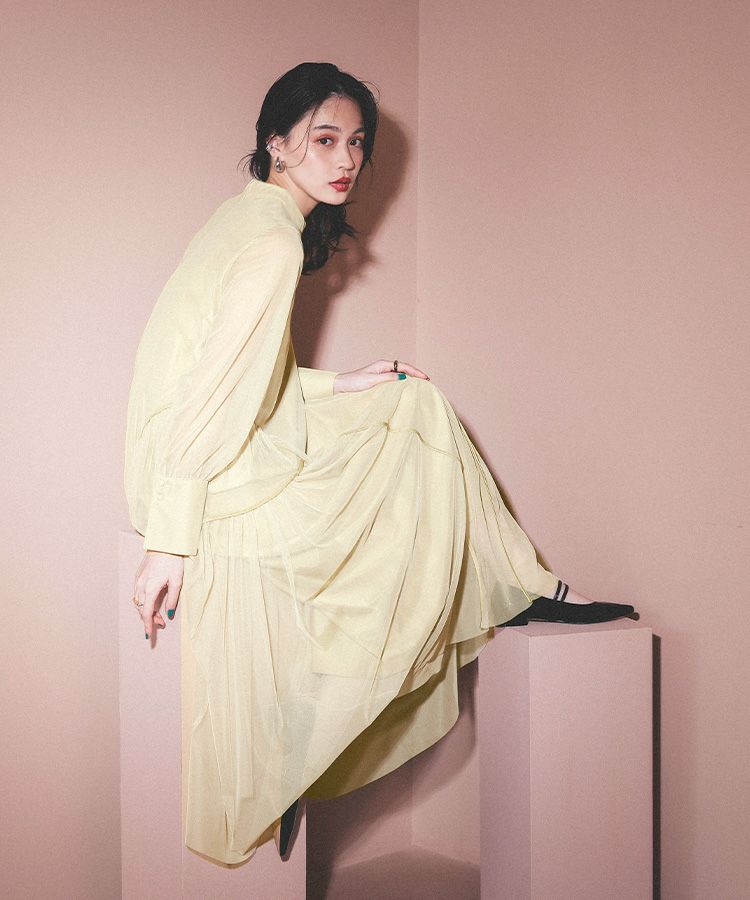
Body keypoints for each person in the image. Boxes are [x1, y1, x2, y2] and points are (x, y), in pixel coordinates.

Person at [124, 62, 635, 866]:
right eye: (325, 139)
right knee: (415, 415)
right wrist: (170, 538)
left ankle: (513, 586)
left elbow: (232, 369)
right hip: (206, 474)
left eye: (356, 143)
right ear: (277, 143)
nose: (347, 161)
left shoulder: (244, 219)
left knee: (401, 397)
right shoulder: (271, 243)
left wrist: (337, 385)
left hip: (185, 458)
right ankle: (513, 592)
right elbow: (213, 390)